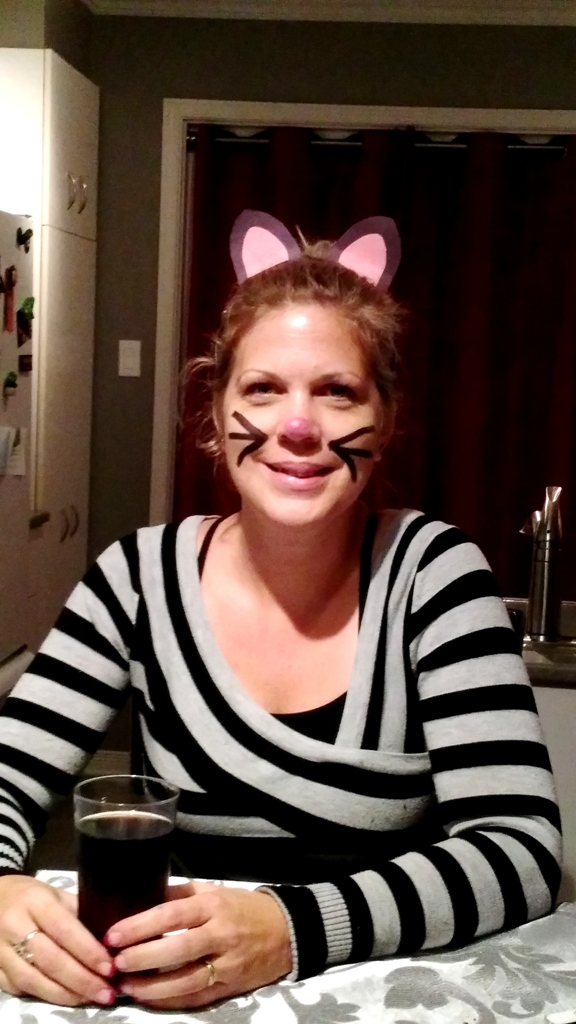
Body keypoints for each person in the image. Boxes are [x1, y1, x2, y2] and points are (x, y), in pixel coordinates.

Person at [0, 210, 561, 1011]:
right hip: (179, 997)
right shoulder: (137, 577)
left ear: (386, 422)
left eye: (337, 392)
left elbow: (519, 851)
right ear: (214, 415)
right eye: (263, 389)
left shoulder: (433, 575)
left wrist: (290, 928)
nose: (297, 427)